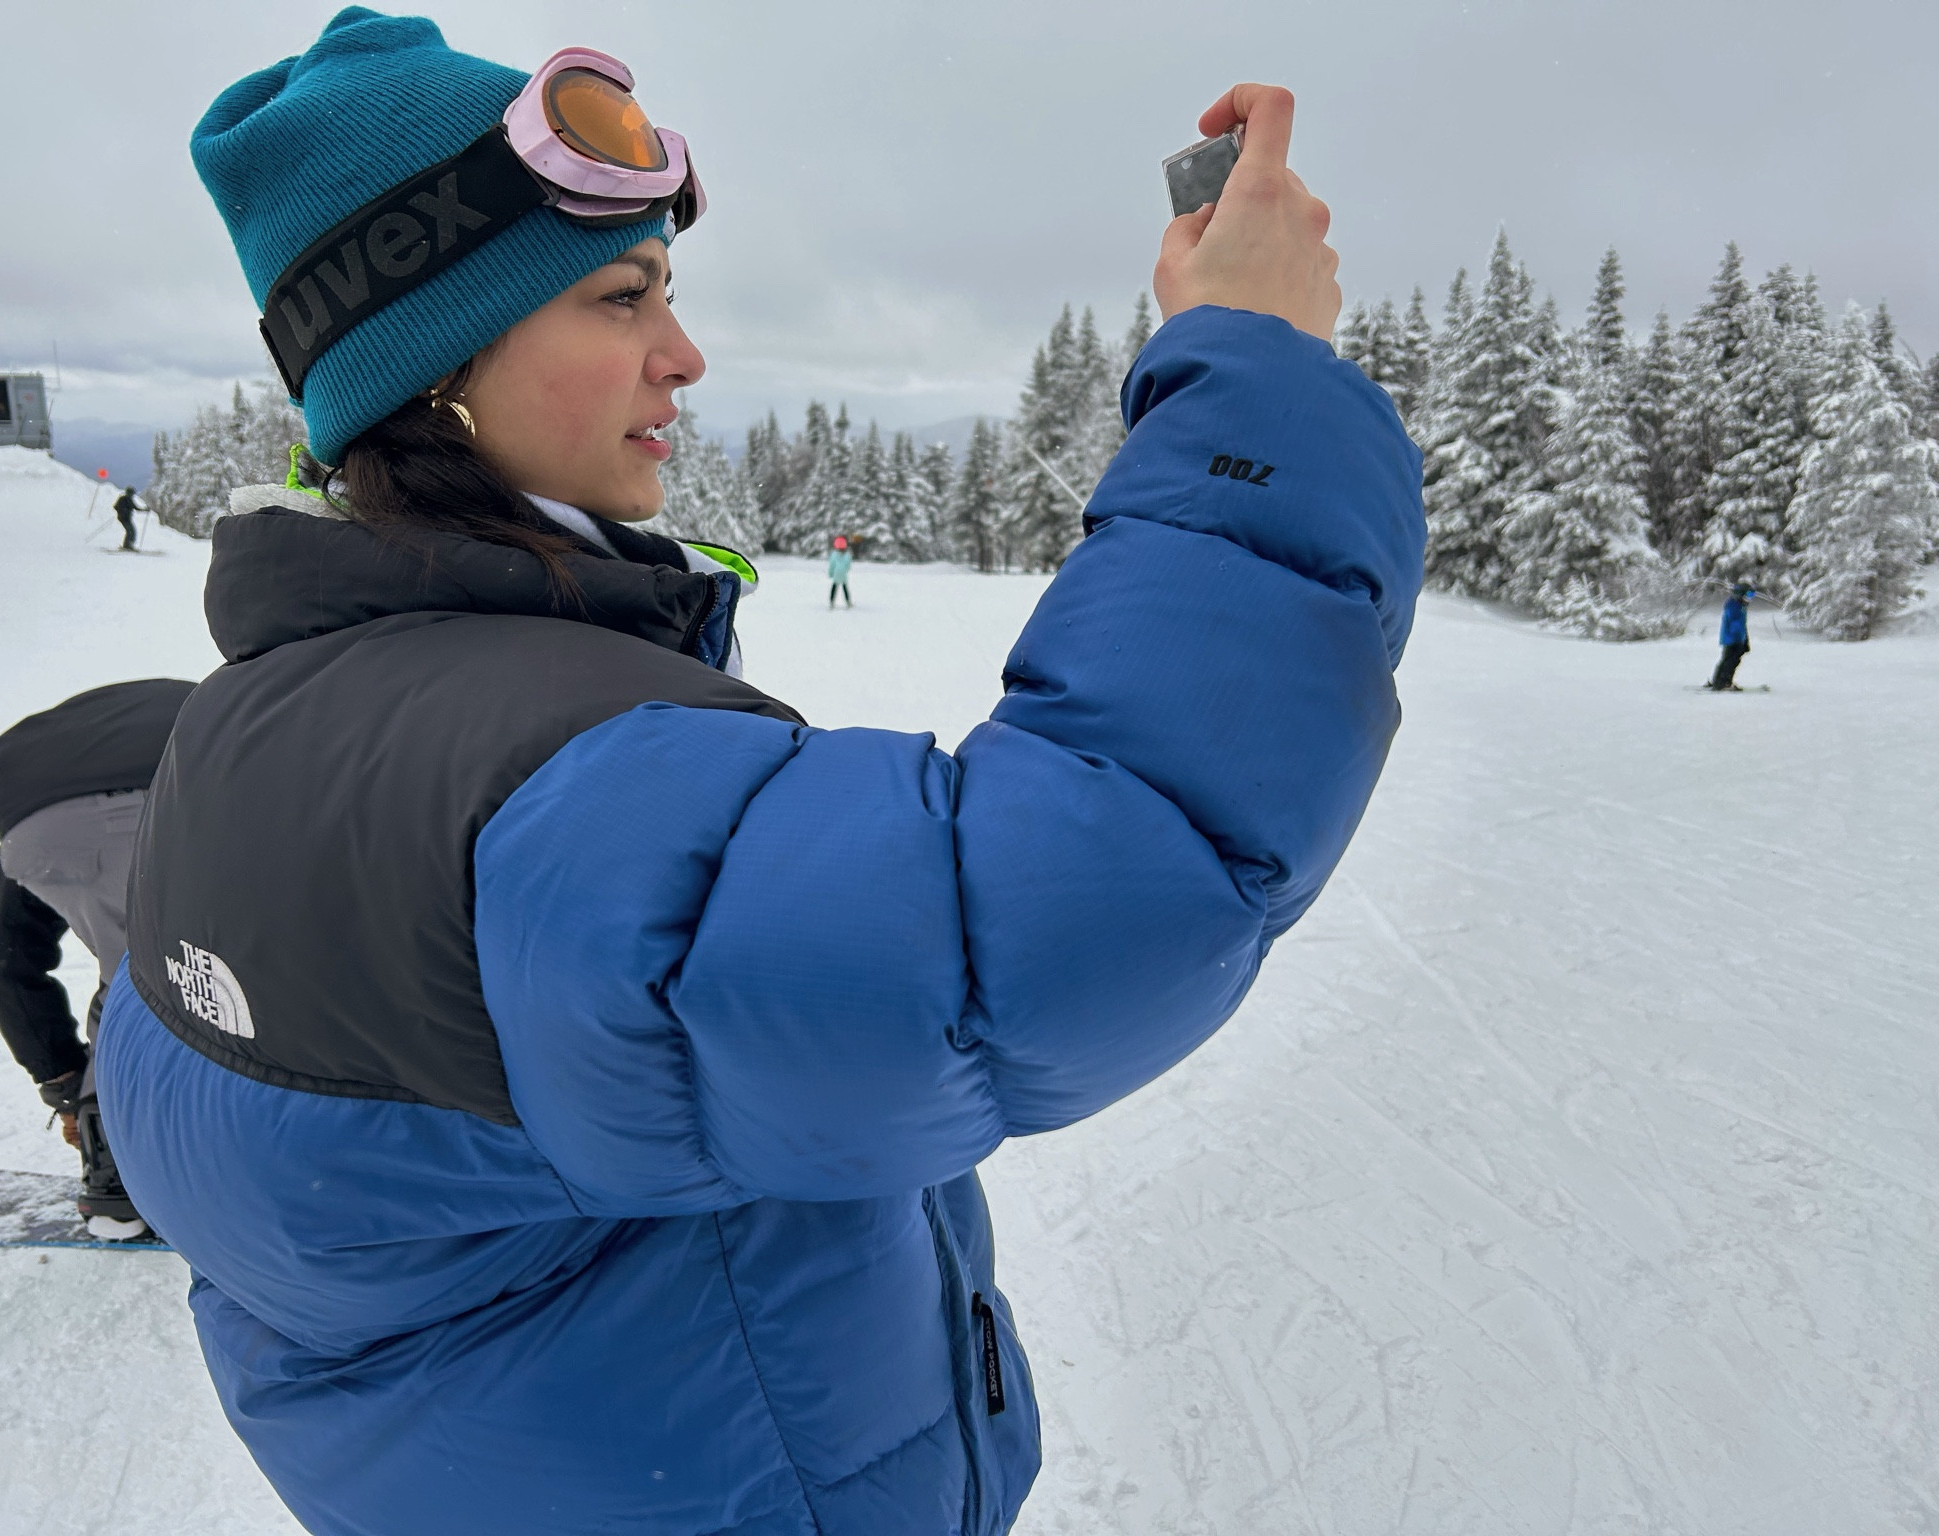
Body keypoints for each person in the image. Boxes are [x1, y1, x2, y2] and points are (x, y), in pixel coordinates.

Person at [94, 13, 1422, 1536]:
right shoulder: (537, 782)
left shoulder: (243, 725)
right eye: (621, 295)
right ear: (438, 367)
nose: (684, 353)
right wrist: (1252, 371)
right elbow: (1089, 890)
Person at [0, 677, 194, 1240]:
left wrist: (64, 1082)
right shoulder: (200, 701)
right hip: (190, 788)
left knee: (129, 978)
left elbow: (7, 961)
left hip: (40, 817)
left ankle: (115, 1185)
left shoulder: (58, 766)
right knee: (217, 972)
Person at [1707, 582, 1754, 690]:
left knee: (1730, 660)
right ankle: (1722, 682)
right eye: (1748, 595)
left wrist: (1745, 640)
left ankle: (1720, 681)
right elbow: (1735, 624)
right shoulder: (1734, 606)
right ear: (1740, 594)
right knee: (1730, 660)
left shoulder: (1740, 605)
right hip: (1732, 639)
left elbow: (1742, 625)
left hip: (1736, 638)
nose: (1749, 598)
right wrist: (1738, 640)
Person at [112, 486, 142, 551]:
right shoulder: (122, 499)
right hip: (122, 518)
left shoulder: (130, 500)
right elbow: (115, 506)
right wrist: (122, 511)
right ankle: (127, 545)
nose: (131, 495)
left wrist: (145, 509)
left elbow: (136, 508)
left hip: (128, 518)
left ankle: (129, 544)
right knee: (129, 531)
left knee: (132, 531)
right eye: (131, 494)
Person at [829, 533, 853, 607]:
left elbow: (832, 565)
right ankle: (848, 601)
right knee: (845, 587)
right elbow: (848, 565)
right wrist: (846, 570)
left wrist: (830, 573)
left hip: (836, 573)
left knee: (834, 587)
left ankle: (832, 601)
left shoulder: (834, 554)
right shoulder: (847, 555)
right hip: (843, 574)